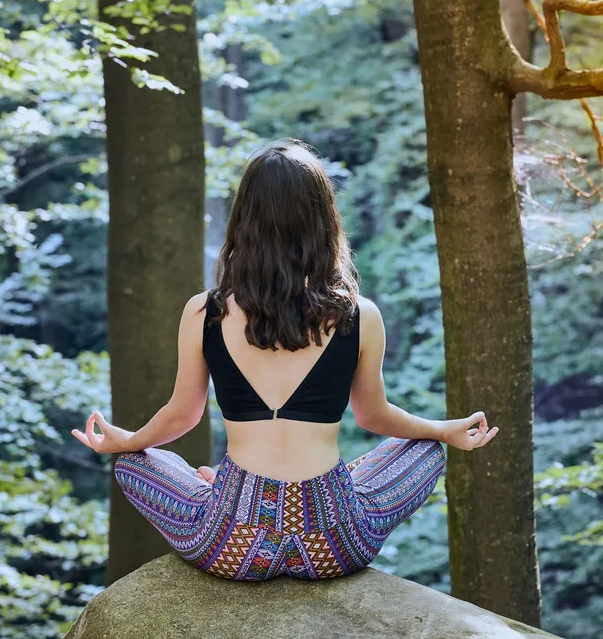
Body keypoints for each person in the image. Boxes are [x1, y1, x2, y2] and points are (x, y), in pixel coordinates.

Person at [71, 139, 499, 581]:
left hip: (233, 543)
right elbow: (374, 416)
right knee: (426, 453)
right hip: (335, 542)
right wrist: (442, 431)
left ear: (245, 221)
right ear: (322, 222)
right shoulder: (359, 314)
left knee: (134, 463)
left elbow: (182, 416)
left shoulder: (204, 311)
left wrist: (129, 440)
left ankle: (220, 484)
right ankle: (254, 485)